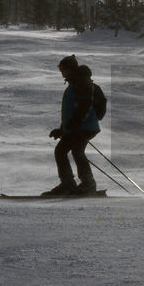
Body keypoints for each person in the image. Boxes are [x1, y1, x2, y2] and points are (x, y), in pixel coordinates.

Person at [45, 55, 101, 196]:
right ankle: (72, 183)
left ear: (70, 69)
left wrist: (76, 122)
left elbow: (85, 105)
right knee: (64, 151)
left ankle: (84, 184)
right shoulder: (74, 83)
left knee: (72, 151)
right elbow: (71, 111)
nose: (62, 73)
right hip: (79, 127)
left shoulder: (81, 83)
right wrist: (63, 130)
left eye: (63, 69)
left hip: (84, 127)